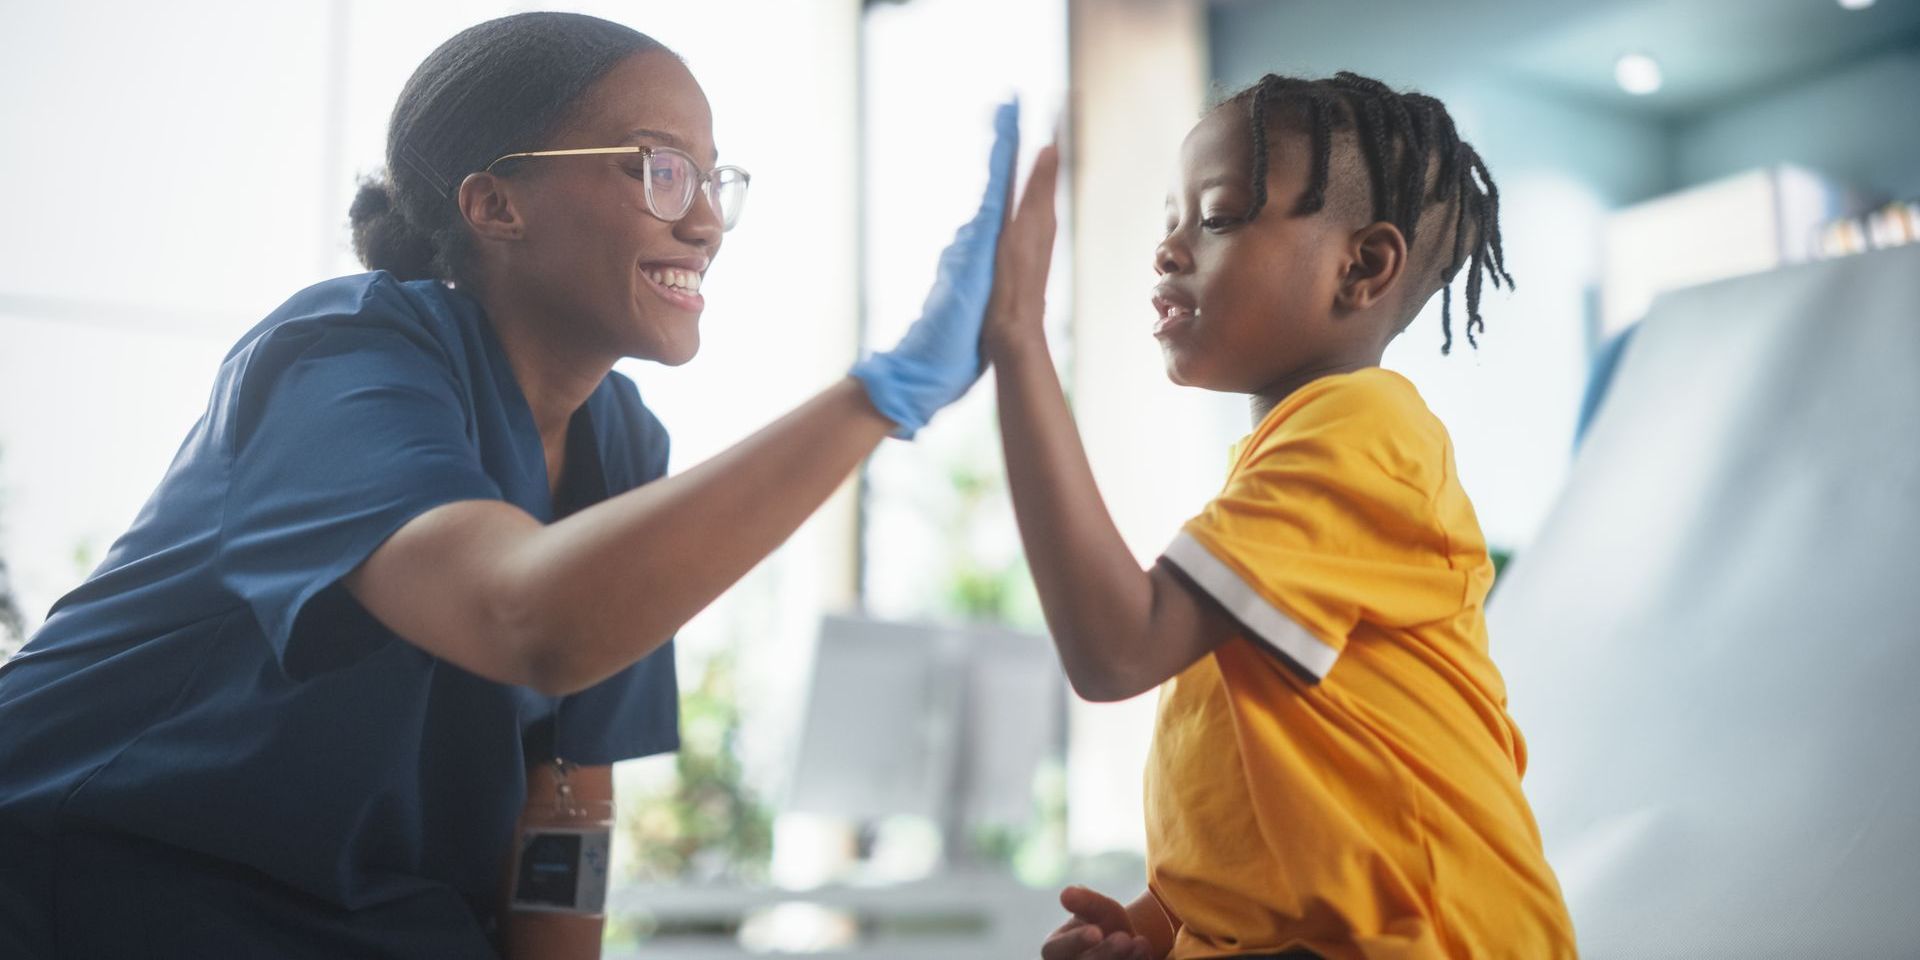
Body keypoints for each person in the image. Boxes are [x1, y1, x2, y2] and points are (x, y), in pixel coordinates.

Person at [0, 12, 1023, 959]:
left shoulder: (621, 444)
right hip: (88, 886)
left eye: (716, 180)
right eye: (662, 171)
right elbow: (527, 617)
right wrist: (876, 398)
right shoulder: (339, 361)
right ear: (495, 203)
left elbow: (566, 796)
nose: (707, 222)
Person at [985, 73, 1577, 958]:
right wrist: (1156, 930)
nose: (1169, 249)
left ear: (1363, 266)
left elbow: (1117, 649)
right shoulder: (1275, 486)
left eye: (1217, 217)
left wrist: (1019, 339)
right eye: (1172, 217)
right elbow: (1273, 820)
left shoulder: (1367, 430)